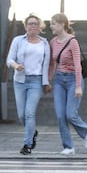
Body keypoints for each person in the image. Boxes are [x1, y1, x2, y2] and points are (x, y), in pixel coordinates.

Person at [48, 13, 87, 155]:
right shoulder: (53, 42)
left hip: (74, 78)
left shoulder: (73, 41)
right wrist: (48, 80)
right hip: (59, 80)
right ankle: (68, 146)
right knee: (60, 115)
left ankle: (85, 132)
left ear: (62, 25)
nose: (51, 26)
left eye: (53, 23)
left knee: (70, 114)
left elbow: (77, 65)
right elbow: (52, 64)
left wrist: (79, 86)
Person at [6, 14, 50, 155]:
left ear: (39, 26)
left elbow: (46, 64)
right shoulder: (18, 40)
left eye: (35, 24)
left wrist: (46, 82)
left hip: (36, 81)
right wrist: (16, 66)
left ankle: (27, 144)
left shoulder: (44, 43)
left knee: (30, 113)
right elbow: (9, 59)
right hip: (20, 81)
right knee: (21, 115)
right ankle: (32, 132)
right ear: (25, 26)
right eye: (30, 23)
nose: (33, 26)